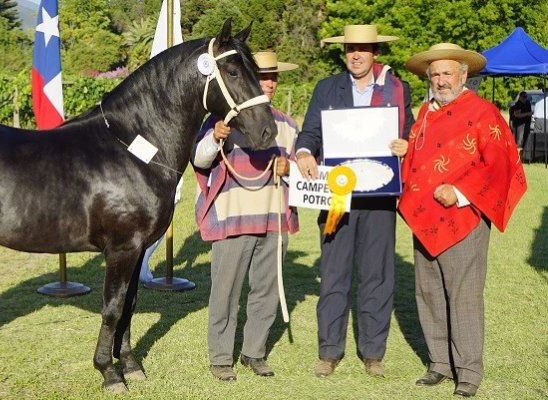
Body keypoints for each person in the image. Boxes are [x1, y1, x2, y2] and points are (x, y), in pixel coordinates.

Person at [400, 43, 527, 397]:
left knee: (464, 295)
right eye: (435, 74)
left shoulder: (483, 113)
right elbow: (419, 163)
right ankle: (439, 363)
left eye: (447, 73)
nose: (441, 80)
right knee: (428, 293)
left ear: (463, 75)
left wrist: (460, 192)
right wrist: (403, 152)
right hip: (425, 219)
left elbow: (500, 163)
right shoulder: (424, 114)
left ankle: (468, 371)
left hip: (464, 219)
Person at [295, 24, 414, 378]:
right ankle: (329, 351)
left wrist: (405, 145)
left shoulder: (398, 89)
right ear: (344, 52)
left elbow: (410, 135)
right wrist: (303, 152)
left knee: (377, 275)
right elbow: (310, 132)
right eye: (350, 49)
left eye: (363, 49)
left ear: (376, 52)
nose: (356, 55)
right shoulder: (326, 88)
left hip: (380, 198)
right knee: (333, 274)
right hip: (337, 197)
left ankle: (373, 352)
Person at [192, 51, 299, 381]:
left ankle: (254, 352)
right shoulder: (222, 120)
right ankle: (221, 357)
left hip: (272, 218)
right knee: (225, 291)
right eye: (262, 76)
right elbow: (199, 160)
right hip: (233, 217)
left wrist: (289, 168)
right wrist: (214, 137)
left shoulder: (289, 125)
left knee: (266, 289)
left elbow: (305, 173)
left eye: (273, 77)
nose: (268, 82)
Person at [509, 91, 532, 157]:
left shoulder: (528, 103)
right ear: (520, 97)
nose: (525, 98)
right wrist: (527, 114)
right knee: (519, 142)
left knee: (526, 140)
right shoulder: (518, 104)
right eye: (524, 97)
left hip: (526, 124)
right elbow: (516, 114)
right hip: (519, 125)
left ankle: (524, 156)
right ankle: (516, 156)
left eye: (526, 97)